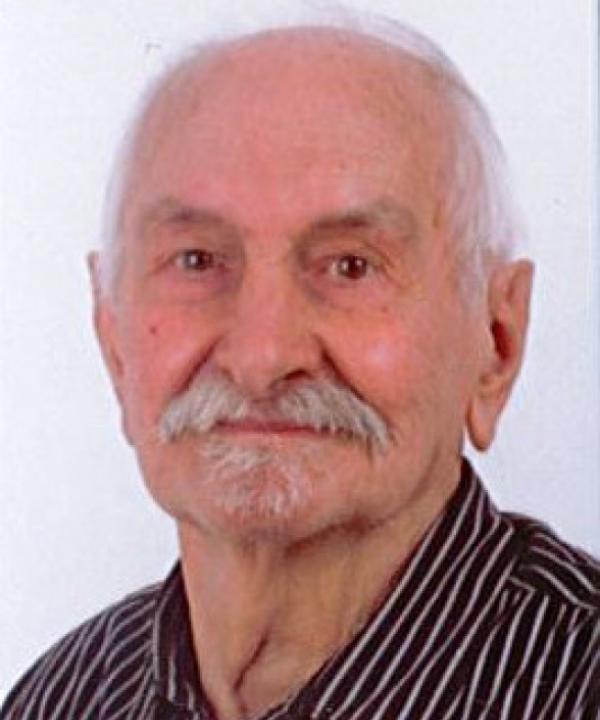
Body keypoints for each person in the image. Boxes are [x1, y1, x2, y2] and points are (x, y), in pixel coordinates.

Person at [2, 12, 598, 720]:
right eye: (197, 260)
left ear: (497, 342)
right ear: (115, 343)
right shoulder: (59, 698)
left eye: (351, 266)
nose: (262, 358)